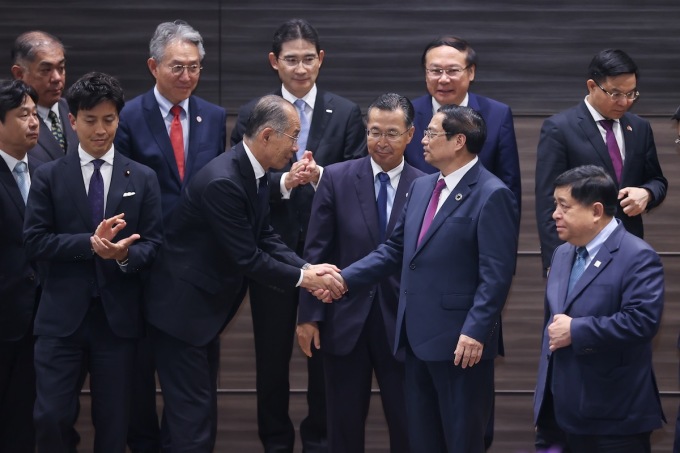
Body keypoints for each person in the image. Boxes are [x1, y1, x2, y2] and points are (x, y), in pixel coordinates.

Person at [145, 94, 345, 452]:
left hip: (202, 318)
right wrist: (304, 280)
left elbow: (265, 235)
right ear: (267, 135)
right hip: (182, 316)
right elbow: (248, 258)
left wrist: (306, 265)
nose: (297, 148)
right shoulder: (224, 181)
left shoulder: (254, 172)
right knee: (193, 425)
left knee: (188, 420)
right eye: (293, 137)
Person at [319, 105, 519, 453]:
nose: (422, 140)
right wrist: (342, 279)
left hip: (461, 344)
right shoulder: (423, 186)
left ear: (459, 141)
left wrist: (475, 331)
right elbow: (394, 251)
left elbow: (496, 275)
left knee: (461, 440)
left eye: (430, 133)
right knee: (423, 440)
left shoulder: (492, 193)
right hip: (415, 338)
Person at [230, 18, 366, 453]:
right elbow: (239, 184)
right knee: (271, 362)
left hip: (328, 257)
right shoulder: (254, 114)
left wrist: (319, 175)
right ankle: (274, 443)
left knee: (323, 360)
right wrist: (285, 182)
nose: (301, 68)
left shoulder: (345, 112)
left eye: (309, 59)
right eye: (291, 59)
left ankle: (320, 442)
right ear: (275, 62)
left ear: (321, 60)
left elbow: (357, 181)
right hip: (272, 256)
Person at [23, 72, 163, 452]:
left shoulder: (144, 177)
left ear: (119, 119)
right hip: (59, 320)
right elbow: (34, 240)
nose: (100, 130)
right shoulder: (48, 176)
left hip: (117, 322)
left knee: (115, 424)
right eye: (90, 120)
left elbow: (153, 245)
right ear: (72, 120)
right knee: (50, 417)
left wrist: (123, 256)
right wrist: (91, 243)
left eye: (109, 120)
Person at [113, 20, 227, 452]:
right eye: (177, 67)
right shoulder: (128, 115)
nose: (187, 76)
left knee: (193, 393)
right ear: (153, 66)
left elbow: (217, 187)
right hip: (141, 264)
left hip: (196, 273)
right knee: (138, 380)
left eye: (195, 67)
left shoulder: (214, 117)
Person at [296, 93, 424, 453]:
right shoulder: (336, 178)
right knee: (342, 426)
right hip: (343, 318)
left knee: (409, 424)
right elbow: (315, 252)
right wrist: (309, 316)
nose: (381, 142)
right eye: (374, 132)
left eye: (392, 133)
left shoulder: (427, 185)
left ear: (410, 135)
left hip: (403, 323)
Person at [534, 165, 665, 453]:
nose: (555, 214)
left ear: (595, 211)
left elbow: (642, 322)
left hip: (612, 420)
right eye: (555, 204)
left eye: (564, 206)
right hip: (557, 415)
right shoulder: (562, 253)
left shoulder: (638, 257)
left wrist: (576, 330)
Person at [535, 49, 667, 276]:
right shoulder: (560, 128)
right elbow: (548, 201)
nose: (625, 102)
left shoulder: (639, 128)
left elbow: (657, 180)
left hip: (629, 249)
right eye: (615, 93)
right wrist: (555, 262)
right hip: (580, 253)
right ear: (592, 86)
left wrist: (647, 193)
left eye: (631, 93)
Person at [404, 36, 521, 213]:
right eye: (435, 71)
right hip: (419, 219)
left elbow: (509, 184)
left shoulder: (497, 114)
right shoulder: (408, 114)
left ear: (471, 72)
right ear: (426, 74)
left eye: (452, 70)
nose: (443, 79)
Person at [0, 79, 40, 453]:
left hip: (41, 320)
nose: (33, 122)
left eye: (34, 113)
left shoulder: (45, 169)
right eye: (22, 115)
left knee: (25, 420)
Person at [11, 31, 78, 161]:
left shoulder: (78, 111)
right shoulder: (8, 122)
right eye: (46, 70)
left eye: (61, 68)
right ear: (19, 74)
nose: (57, 78)